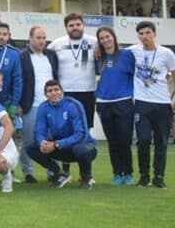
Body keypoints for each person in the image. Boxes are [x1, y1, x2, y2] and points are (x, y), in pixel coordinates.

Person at [47, 13, 98, 176]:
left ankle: (85, 172)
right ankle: (65, 169)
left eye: (78, 24)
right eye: (71, 25)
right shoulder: (56, 44)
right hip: (65, 94)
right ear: (66, 28)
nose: (75, 28)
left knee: (84, 132)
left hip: (87, 93)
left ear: (83, 25)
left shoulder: (94, 42)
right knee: (63, 131)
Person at [128, 21, 175, 188]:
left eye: (147, 32)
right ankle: (144, 176)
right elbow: (113, 50)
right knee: (143, 140)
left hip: (162, 104)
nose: (144, 36)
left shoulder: (166, 53)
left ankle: (159, 177)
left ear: (154, 34)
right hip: (141, 103)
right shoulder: (133, 51)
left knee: (161, 142)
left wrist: (173, 99)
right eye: (141, 33)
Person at [28, 80, 97, 189]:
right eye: (50, 91)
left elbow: (81, 134)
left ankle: (86, 178)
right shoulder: (43, 107)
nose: (54, 93)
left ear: (62, 91)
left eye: (56, 89)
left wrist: (56, 144)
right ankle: (60, 175)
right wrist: (42, 142)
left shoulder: (73, 105)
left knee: (81, 149)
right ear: (46, 94)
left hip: (84, 147)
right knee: (31, 148)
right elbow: (39, 131)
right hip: (61, 148)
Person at [94, 25, 136, 186]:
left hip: (124, 102)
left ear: (114, 36)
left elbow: (136, 76)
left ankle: (129, 173)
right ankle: (117, 173)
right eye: (102, 38)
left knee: (124, 140)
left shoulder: (127, 55)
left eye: (107, 36)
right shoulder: (98, 57)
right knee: (112, 141)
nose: (105, 40)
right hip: (104, 104)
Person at [18, 25, 58, 184]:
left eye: (44, 38)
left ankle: (52, 171)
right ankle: (28, 172)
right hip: (31, 105)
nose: (42, 41)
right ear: (30, 38)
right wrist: (20, 103)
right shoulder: (22, 57)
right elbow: (19, 81)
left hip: (51, 105)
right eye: (38, 38)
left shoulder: (52, 55)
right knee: (29, 141)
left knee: (51, 140)